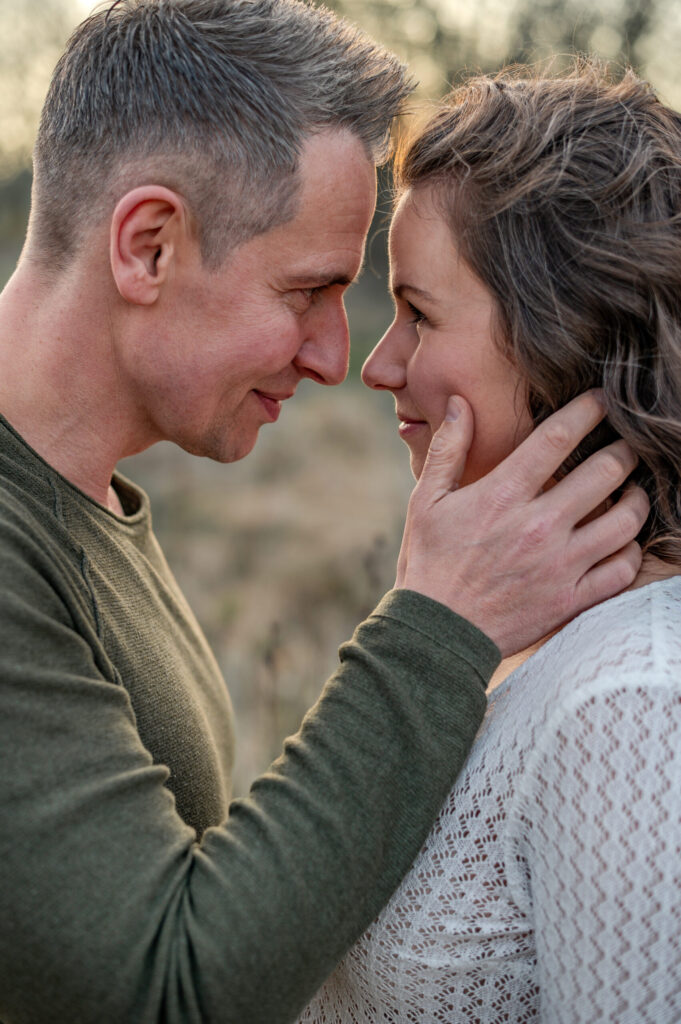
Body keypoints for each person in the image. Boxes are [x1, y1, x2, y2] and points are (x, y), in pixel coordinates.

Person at [0, 2, 646, 1019]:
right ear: (151, 246)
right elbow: (161, 989)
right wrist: (439, 629)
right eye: (307, 291)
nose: (336, 357)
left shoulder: (83, 511)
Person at [297, 60, 681, 1023]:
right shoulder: (547, 633)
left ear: (565, 335)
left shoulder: (630, 701)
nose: (378, 365)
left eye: (418, 314)